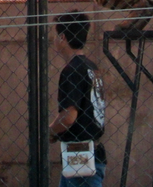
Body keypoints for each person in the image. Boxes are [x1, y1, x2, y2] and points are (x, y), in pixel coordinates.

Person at [50, 11, 107, 187]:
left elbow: (69, 116)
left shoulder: (71, 71)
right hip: (89, 153)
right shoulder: (91, 67)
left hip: (80, 155)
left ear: (62, 38)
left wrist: (50, 132)